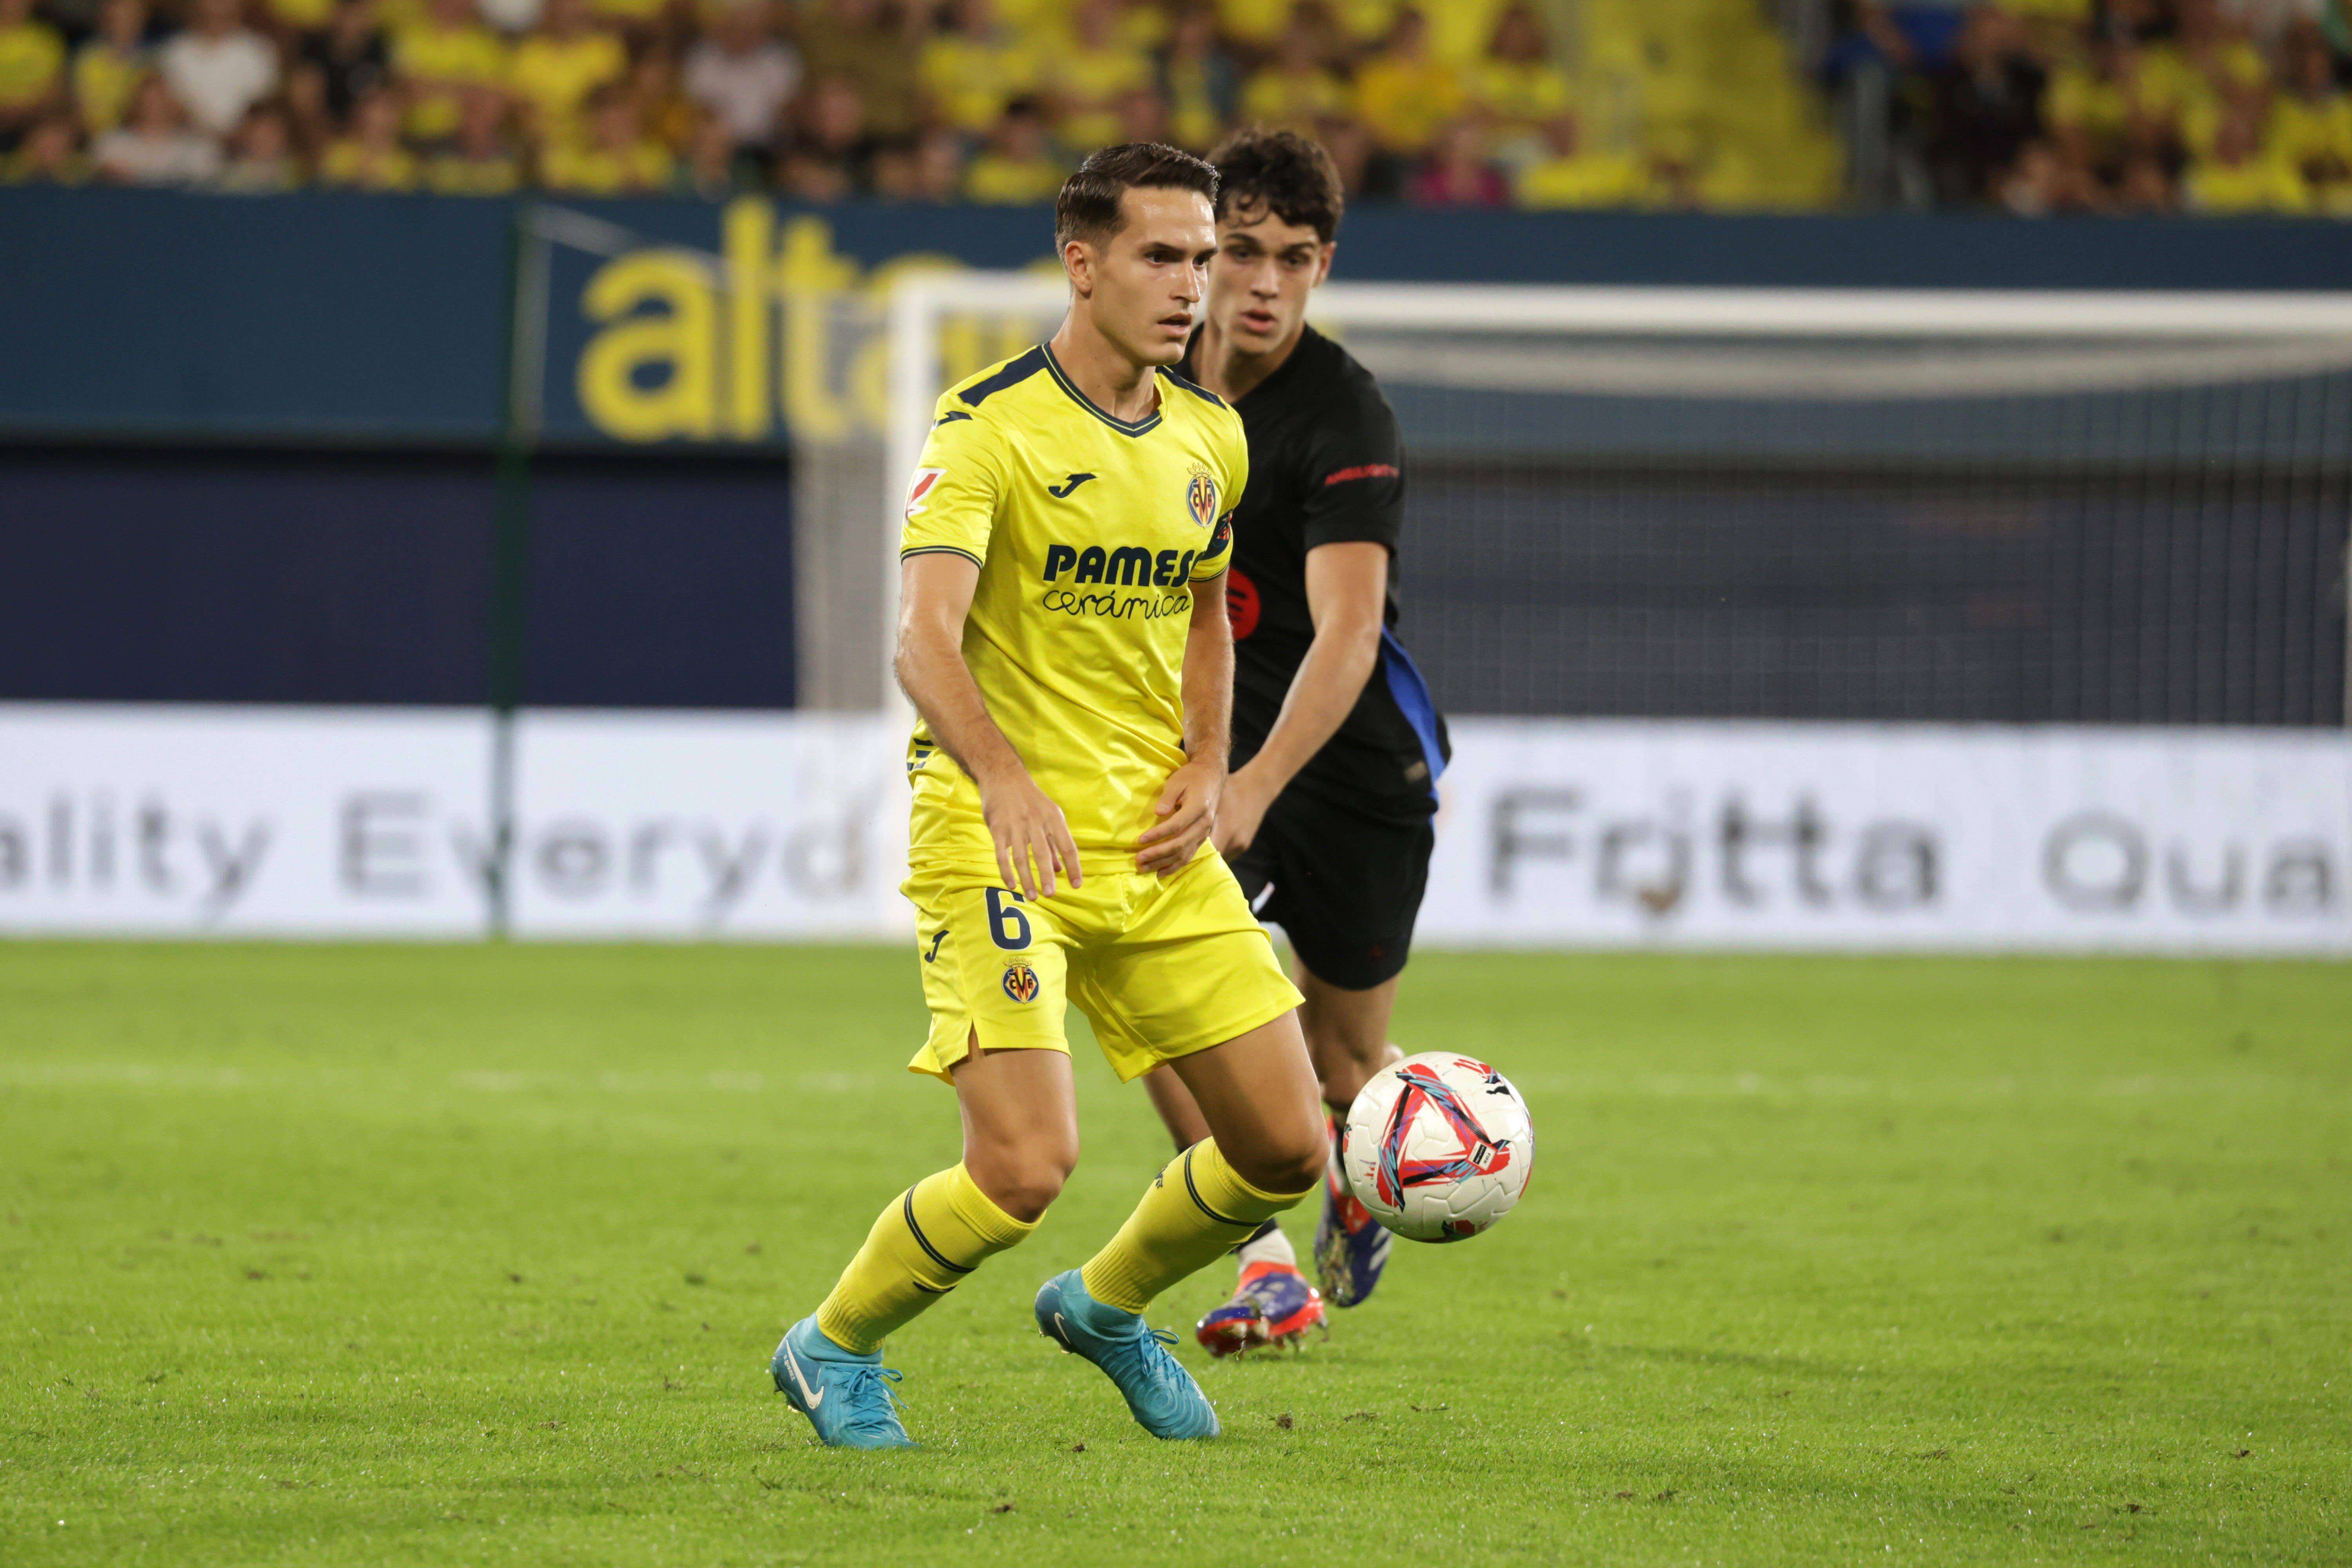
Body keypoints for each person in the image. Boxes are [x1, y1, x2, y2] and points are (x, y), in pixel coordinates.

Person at [769, 141, 1328, 1450]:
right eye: (1163, 256)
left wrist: (1207, 758)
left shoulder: (1212, 436)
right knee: (1024, 1166)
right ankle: (832, 1347)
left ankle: (1106, 1305)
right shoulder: (986, 426)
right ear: (1083, 264)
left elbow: (1209, 615)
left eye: (1207, 258)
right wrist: (1005, 779)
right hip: (1002, 832)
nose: (1193, 285)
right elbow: (922, 639)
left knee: (1288, 1150)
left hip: (1155, 837)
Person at [1160, 126, 1450, 1353]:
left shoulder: (1344, 413)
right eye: (1242, 252)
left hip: (1349, 767)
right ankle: (1264, 1261)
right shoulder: (1144, 388)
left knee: (1346, 1060)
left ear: (1323, 265)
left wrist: (1258, 780)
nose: (1264, 282)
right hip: (1210, 755)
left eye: (1293, 257)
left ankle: (1351, 1174)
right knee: (1172, 991)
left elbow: (1345, 634)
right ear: (1202, 254)